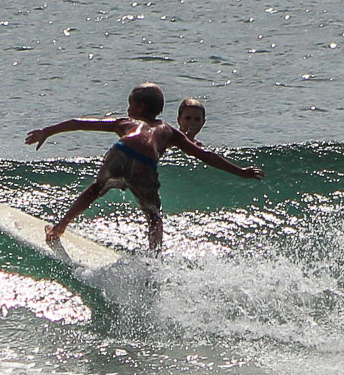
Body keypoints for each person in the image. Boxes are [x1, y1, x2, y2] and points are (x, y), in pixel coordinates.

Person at [24, 84, 264, 251]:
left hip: (122, 150)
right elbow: (206, 156)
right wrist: (240, 172)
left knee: (96, 189)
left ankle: (58, 229)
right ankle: (154, 260)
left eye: (130, 104)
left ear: (138, 106)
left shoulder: (127, 122)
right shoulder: (169, 131)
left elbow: (80, 123)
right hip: (146, 163)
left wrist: (48, 131)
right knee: (154, 216)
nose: (128, 109)